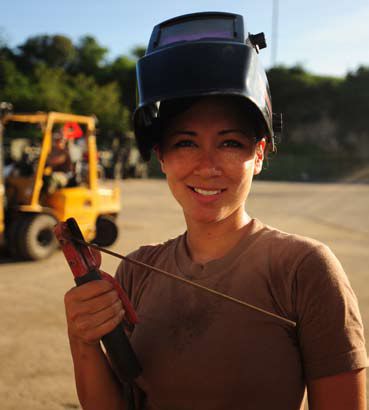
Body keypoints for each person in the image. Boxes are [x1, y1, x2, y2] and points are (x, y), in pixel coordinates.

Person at [63, 12, 367, 410]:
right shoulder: (136, 270)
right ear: (162, 158)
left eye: (229, 144)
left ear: (258, 155)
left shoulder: (304, 269)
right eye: (186, 143)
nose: (206, 166)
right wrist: (82, 338)